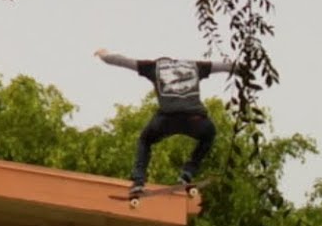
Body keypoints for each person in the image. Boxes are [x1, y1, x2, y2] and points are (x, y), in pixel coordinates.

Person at [95, 48, 235, 196]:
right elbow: (224, 66)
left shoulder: (154, 67)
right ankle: (188, 172)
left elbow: (123, 61)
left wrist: (104, 55)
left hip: (167, 119)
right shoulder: (194, 66)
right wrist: (244, 67)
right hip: (196, 119)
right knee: (209, 134)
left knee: (145, 140)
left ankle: (138, 181)